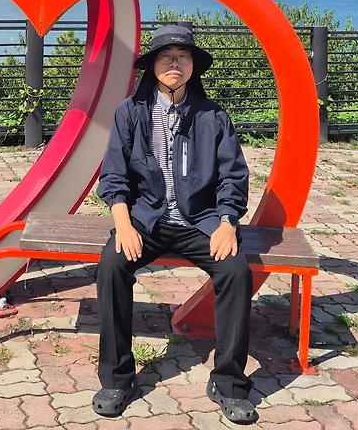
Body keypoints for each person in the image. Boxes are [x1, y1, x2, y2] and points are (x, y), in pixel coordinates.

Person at [91, 24, 257, 424]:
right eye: (166, 57)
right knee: (111, 266)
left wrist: (227, 222)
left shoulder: (213, 115)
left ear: (193, 66)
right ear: (153, 65)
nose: (175, 64)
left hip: (200, 222)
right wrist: (124, 224)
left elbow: (233, 176)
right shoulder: (130, 112)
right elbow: (113, 175)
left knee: (236, 271)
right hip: (146, 219)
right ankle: (117, 379)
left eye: (183, 58)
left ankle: (229, 383)